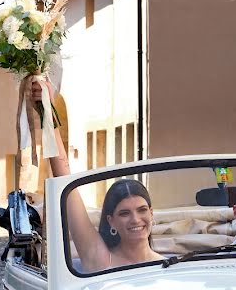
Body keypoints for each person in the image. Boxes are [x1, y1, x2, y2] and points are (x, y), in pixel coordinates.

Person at [32, 80, 163, 272]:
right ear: (111, 221)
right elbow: (66, 186)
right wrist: (48, 113)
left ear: (151, 213)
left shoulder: (171, 265)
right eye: (124, 213)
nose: (135, 219)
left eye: (142, 210)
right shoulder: (100, 259)